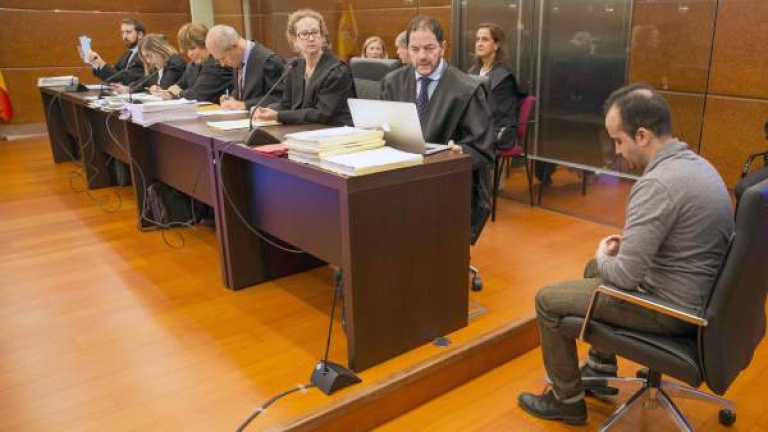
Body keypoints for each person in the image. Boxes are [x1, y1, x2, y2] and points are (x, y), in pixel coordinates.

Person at [517, 84, 734, 425]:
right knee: (594, 268)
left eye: (618, 140)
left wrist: (605, 255)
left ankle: (566, 400)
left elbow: (625, 277)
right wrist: (610, 258)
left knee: (547, 300)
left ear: (642, 136)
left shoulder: (657, 184)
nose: (616, 151)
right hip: (702, 296)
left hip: (672, 309)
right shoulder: (699, 166)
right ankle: (600, 366)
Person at [381, 15, 494, 243]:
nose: (422, 56)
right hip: (398, 180)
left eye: (429, 48)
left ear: (443, 47)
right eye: (415, 49)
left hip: (444, 187)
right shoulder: (392, 82)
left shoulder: (467, 90)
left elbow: (483, 149)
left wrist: (461, 151)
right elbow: (381, 130)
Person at [251, 9, 355, 126]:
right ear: (294, 40)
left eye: (315, 32)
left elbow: (322, 114)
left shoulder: (337, 71)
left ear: (322, 37)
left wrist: (277, 116)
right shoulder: (294, 67)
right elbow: (287, 105)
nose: (311, 38)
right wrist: (265, 110)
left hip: (335, 130)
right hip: (305, 129)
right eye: (304, 34)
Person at [205, 25, 286, 111]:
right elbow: (247, 93)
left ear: (234, 46)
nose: (222, 64)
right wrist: (232, 99)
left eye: (223, 58)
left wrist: (244, 105)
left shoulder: (268, 61)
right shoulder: (237, 59)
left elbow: (280, 97)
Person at [468, 23, 519, 151]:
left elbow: (496, 114)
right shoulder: (473, 71)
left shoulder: (504, 76)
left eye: (485, 39)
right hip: (477, 128)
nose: (479, 43)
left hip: (497, 132)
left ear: (496, 45)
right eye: (477, 39)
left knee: (462, 148)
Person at [152, 23, 233, 103]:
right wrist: (167, 92)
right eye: (187, 50)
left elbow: (198, 94)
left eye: (192, 48)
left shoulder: (218, 65)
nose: (189, 54)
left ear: (205, 44)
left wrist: (178, 94)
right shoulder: (192, 65)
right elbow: (179, 85)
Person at [85, 18, 146, 85]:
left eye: (128, 32)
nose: (124, 36)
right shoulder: (128, 53)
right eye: (122, 32)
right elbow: (114, 74)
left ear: (140, 35)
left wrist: (101, 63)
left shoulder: (145, 55)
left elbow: (125, 78)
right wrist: (95, 63)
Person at [121, 34, 186, 93]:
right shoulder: (158, 66)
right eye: (145, 57)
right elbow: (143, 82)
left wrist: (151, 88)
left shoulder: (175, 63)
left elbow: (164, 87)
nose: (148, 61)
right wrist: (128, 88)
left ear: (159, 50)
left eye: (149, 56)